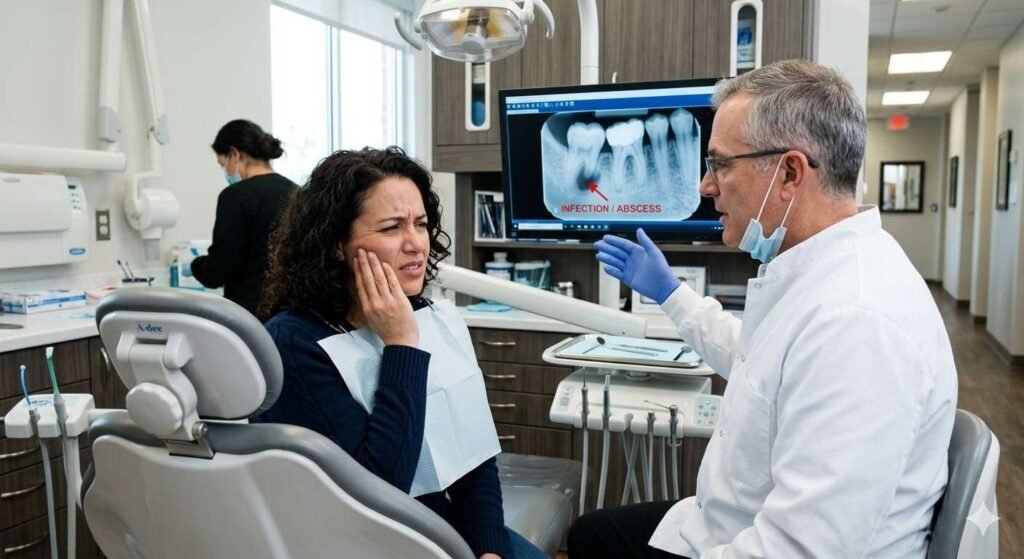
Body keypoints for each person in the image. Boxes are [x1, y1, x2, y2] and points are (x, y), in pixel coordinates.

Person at [572, 59, 958, 558]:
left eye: (720, 164)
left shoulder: (858, 321)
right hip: (732, 522)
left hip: (761, 544)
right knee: (592, 533)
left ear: (789, 173)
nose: (705, 187)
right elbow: (759, 363)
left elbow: (803, 549)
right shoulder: (819, 276)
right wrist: (672, 294)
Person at [255, 146, 547, 559]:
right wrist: (401, 345)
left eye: (421, 224)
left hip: (445, 530)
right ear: (337, 245)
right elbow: (379, 492)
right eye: (392, 228)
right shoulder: (295, 344)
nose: (415, 244)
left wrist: (489, 548)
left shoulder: (431, 316)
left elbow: (474, 457)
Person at [190, 119, 297, 316]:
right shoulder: (296, 191)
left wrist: (196, 265)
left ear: (234, 154)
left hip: (250, 313)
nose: (226, 172)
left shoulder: (235, 196)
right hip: (291, 311)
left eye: (223, 164)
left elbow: (218, 269)